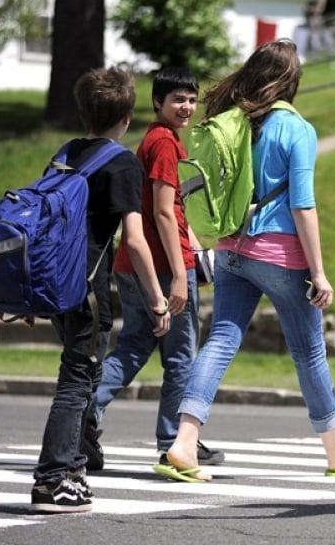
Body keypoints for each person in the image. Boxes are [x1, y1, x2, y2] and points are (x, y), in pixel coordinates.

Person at [159, 38, 335, 483]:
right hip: (280, 255)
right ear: (290, 81)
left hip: (229, 249)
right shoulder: (296, 129)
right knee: (309, 352)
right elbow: (303, 204)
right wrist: (318, 271)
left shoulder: (233, 123)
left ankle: (184, 442)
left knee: (220, 341)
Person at [31, 67, 171, 513]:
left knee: (86, 373)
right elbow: (133, 238)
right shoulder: (123, 162)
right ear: (127, 117)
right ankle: (52, 480)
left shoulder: (66, 152)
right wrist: (157, 297)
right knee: (76, 380)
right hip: (88, 289)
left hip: (55, 284)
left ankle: (75, 463)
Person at [81, 67, 225, 476]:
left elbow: (171, 211)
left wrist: (196, 247)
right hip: (161, 267)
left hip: (134, 265)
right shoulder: (164, 144)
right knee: (180, 356)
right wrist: (181, 275)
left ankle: (84, 413)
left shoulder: (152, 139)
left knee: (133, 346)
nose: (187, 107)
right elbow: (162, 212)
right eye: (178, 99)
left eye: (192, 99)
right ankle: (173, 444)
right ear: (157, 103)